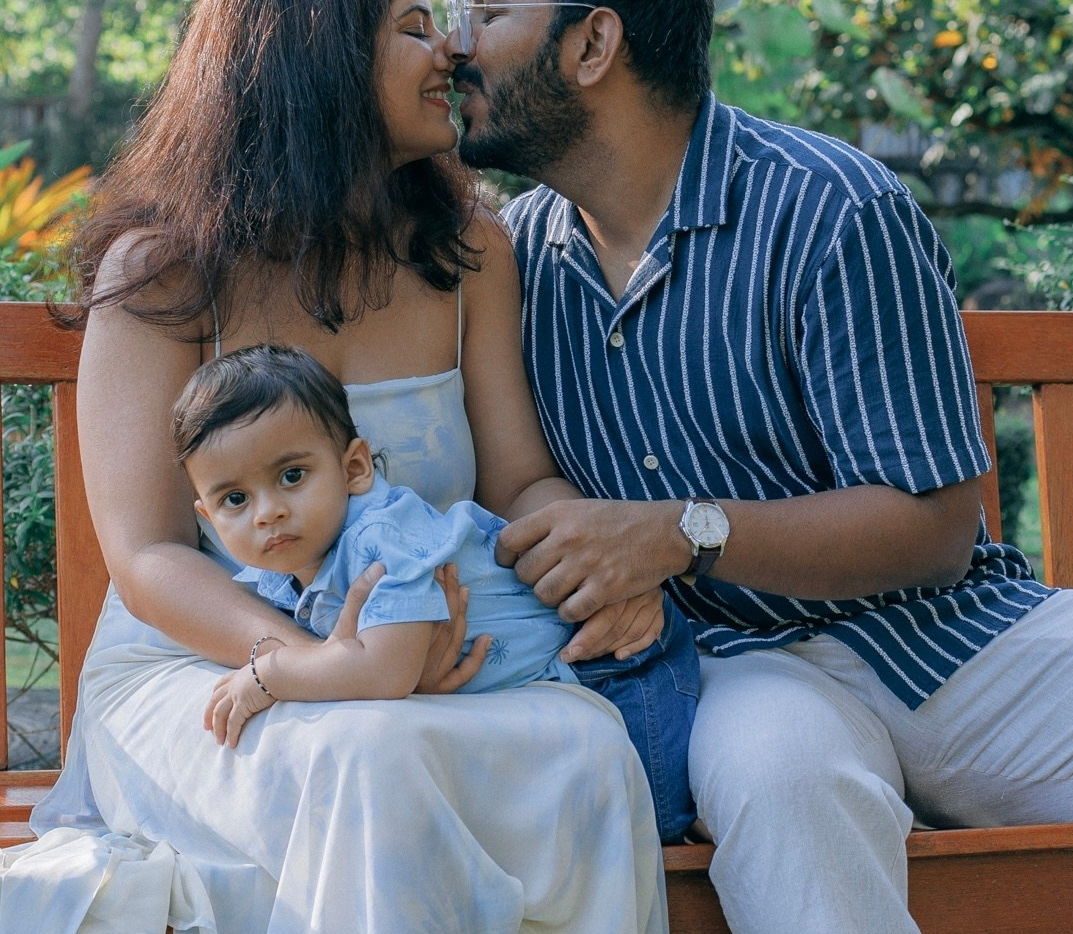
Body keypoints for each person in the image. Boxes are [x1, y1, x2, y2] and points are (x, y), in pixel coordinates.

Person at [2, 0, 688, 934]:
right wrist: (322, 664)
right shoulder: (164, 269)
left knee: (582, 748)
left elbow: (515, 477)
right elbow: (150, 554)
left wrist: (589, 567)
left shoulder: (466, 247)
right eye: (417, 28)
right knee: (364, 760)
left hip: (423, 653)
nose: (455, 52)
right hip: (207, 669)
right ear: (317, 58)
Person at [445, 0, 1073, 934]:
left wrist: (681, 534)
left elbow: (934, 528)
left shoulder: (830, 210)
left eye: (488, 7)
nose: (456, 41)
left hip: (951, 644)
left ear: (593, 42)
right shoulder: (515, 258)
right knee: (785, 785)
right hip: (738, 673)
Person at [171, 343, 698, 842]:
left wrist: (270, 673)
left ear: (354, 468)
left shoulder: (382, 540)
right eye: (235, 499)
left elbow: (385, 671)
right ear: (210, 520)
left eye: (292, 476)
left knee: (653, 820)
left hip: (613, 656)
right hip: (520, 684)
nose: (268, 512)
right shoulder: (281, 572)